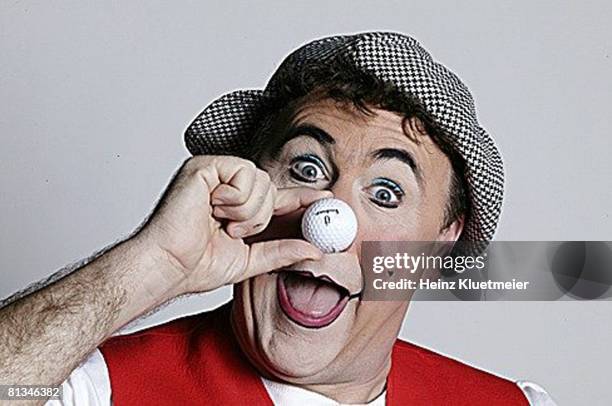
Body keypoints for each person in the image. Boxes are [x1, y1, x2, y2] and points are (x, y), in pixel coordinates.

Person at [0, 32, 556, 405]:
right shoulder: (97, 390)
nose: (328, 214)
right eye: (306, 168)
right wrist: (152, 263)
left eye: (386, 192)